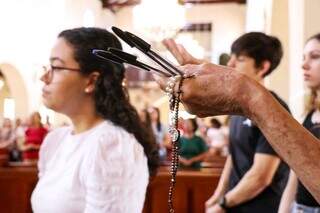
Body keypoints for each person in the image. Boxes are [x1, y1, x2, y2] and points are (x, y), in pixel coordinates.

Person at [155, 39, 320, 204]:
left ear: (263, 67)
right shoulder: (236, 107)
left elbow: (261, 175)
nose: (230, 63)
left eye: (240, 59)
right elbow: (234, 156)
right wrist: (218, 196)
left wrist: (224, 204)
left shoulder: (275, 108)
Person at [31, 27, 159, 213]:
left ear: (91, 81)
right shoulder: (55, 141)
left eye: (56, 67)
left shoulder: (112, 146)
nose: (44, 77)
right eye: (47, 67)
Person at [278, 34, 320, 212]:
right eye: (303, 57)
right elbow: (295, 171)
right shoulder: (310, 113)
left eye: (315, 56)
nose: (304, 65)